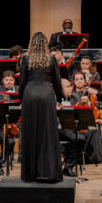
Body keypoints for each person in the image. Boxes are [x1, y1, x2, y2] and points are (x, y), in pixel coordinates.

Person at [20, 32, 64, 182]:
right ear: (45, 44)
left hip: (30, 95)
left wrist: (21, 99)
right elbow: (57, 82)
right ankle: (48, 171)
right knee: (47, 133)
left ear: (31, 44)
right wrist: (61, 97)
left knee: (31, 133)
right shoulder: (51, 59)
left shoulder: (26, 59)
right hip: (46, 95)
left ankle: (30, 174)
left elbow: (22, 82)